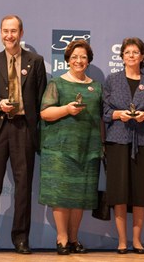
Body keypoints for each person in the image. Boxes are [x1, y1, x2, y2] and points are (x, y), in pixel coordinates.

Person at [0, 15, 47, 254]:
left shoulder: (35, 61)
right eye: (5, 31)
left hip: (23, 130)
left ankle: (21, 239)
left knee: (24, 187)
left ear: (21, 33)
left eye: (13, 31)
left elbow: (40, 98)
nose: (9, 35)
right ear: (1, 33)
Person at [38, 40, 102, 255]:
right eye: (74, 56)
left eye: (83, 57)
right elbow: (45, 113)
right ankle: (62, 238)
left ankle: (74, 238)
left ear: (88, 60)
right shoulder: (57, 83)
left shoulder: (97, 86)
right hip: (59, 149)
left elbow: (100, 119)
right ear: (67, 59)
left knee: (80, 195)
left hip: (88, 148)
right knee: (61, 195)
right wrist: (66, 109)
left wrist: (101, 145)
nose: (79, 60)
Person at [103, 37, 144, 254]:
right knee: (119, 192)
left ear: (142, 56)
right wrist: (120, 114)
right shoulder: (112, 80)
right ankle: (121, 240)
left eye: (135, 52)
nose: (131, 56)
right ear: (122, 57)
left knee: (140, 192)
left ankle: (137, 240)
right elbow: (105, 112)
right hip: (117, 140)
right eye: (127, 52)